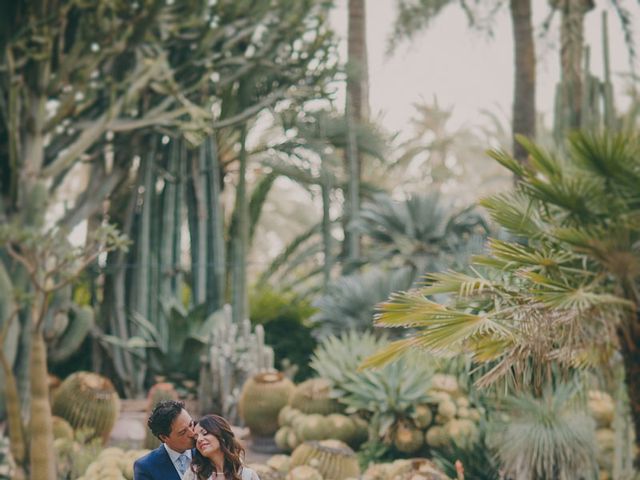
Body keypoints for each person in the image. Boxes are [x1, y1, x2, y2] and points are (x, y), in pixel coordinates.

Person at [134, 400, 197, 480]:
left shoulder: (207, 452)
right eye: (183, 432)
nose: (192, 433)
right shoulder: (145, 468)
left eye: (191, 424)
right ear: (164, 437)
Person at [185, 414, 260, 480]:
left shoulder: (247, 476)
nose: (199, 439)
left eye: (204, 433)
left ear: (222, 435)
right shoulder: (193, 475)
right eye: (196, 438)